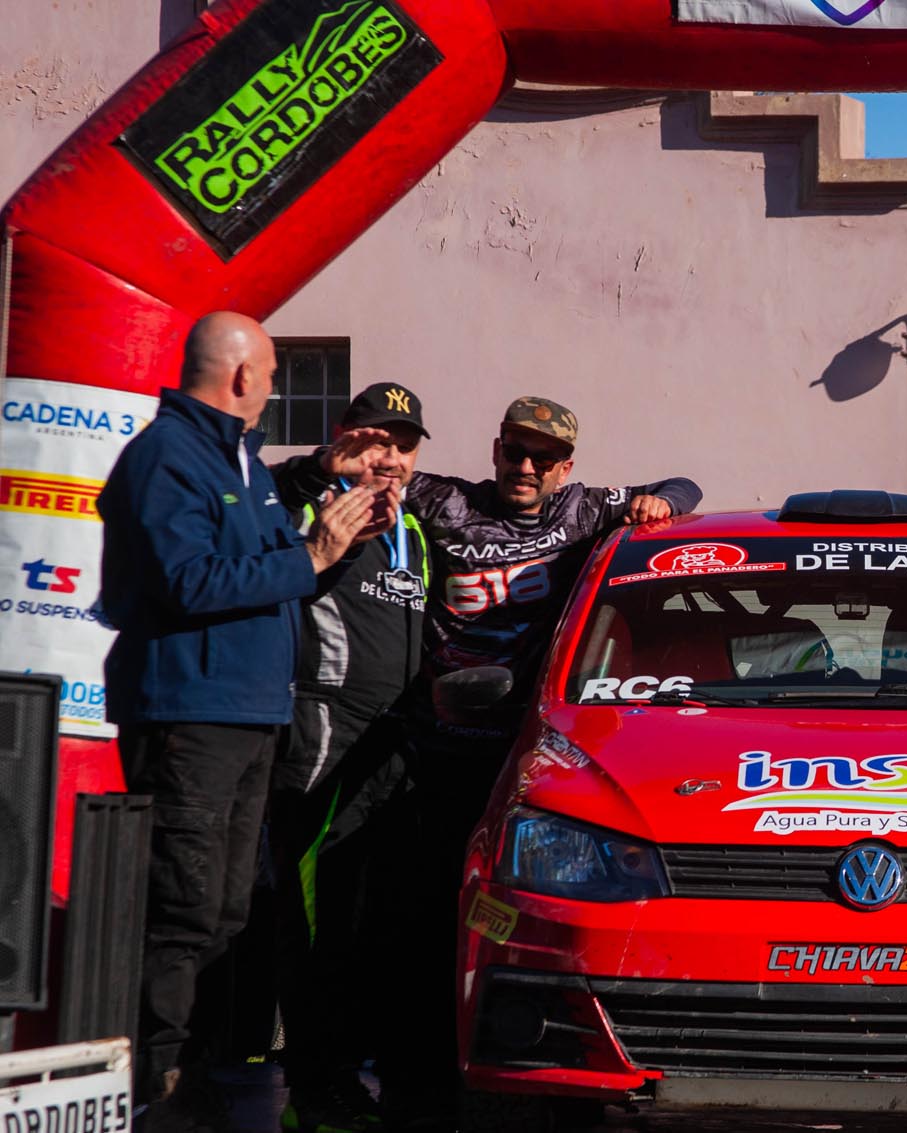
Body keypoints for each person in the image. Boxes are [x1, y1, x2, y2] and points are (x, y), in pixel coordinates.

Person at [282, 396, 702, 1129]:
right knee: (410, 927)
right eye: (515, 451)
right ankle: (407, 1090)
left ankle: (509, 1077)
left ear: (566, 466)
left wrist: (662, 501)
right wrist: (331, 462)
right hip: (428, 756)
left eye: (544, 457)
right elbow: (351, 476)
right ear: (496, 449)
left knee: (507, 927)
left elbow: (684, 487)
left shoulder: (581, 511)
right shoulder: (446, 502)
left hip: (521, 766)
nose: (527, 467)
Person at [97, 312, 374, 1132]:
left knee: (225, 910)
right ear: (244, 375)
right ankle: (154, 1086)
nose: (277, 388)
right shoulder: (166, 456)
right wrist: (311, 555)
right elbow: (190, 580)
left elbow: (262, 562)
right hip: (191, 716)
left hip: (250, 717)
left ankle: (194, 1076)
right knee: (181, 907)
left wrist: (327, 505)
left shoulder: (241, 460)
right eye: (276, 373)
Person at [268, 383, 434, 1133]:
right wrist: (318, 473)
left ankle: (360, 1081)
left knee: (379, 927)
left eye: (403, 445)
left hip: (395, 751)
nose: (389, 457)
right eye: (376, 441)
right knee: (317, 924)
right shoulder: (308, 502)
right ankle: (312, 1090)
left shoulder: (417, 528)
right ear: (345, 439)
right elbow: (269, 500)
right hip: (324, 742)